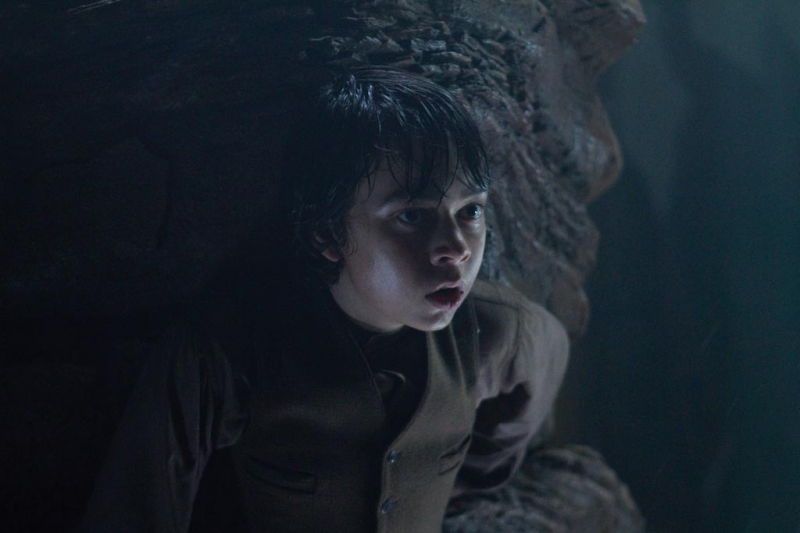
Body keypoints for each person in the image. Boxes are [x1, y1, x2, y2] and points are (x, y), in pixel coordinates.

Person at [80, 66, 569, 533]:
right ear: (327, 233)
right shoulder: (225, 351)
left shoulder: (504, 332)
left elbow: (527, 394)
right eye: (411, 216)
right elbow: (135, 510)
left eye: (471, 212)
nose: (457, 248)